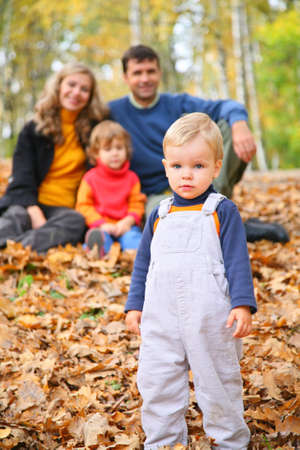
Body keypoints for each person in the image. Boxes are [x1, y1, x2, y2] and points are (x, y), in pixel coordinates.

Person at [125, 113, 257, 449]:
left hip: (209, 318)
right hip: (160, 319)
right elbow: (144, 264)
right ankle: (163, 441)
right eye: (178, 166)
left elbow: (238, 262)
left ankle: (229, 440)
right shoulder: (159, 213)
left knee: (218, 384)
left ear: (216, 167)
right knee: (158, 384)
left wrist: (242, 304)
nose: (187, 174)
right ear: (166, 167)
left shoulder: (221, 211)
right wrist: (134, 306)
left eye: (198, 166)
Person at [108, 44, 256, 216]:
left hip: (198, 184)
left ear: (159, 73)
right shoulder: (113, 112)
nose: (145, 79)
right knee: (164, 218)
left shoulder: (177, 103)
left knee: (228, 124)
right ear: (125, 77)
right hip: (156, 195)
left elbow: (226, 106)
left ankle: (216, 203)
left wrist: (239, 124)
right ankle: (215, 218)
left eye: (150, 71)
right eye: (137, 73)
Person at [0, 62, 107, 253]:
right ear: (59, 86)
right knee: (15, 216)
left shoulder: (94, 131)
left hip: (65, 210)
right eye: (71, 85)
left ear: (90, 97)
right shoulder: (33, 129)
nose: (76, 93)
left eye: (84, 89)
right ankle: (21, 246)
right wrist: (33, 211)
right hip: (31, 202)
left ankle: (13, 250)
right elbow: (22, 176)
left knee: (75, 222)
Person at [76, 120, 145, 256]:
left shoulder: (132, 178)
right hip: (102, 227)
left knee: (133, 239)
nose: (115, 153)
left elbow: (137, 204)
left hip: (126, 227)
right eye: (108, 149)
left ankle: (134, 257)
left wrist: (128, 221)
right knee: (99, 238)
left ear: (126, 150)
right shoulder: (90, 178)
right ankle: (98, 253)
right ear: (96, 153)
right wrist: (101, 224)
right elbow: (84, 206)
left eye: (119, 148)